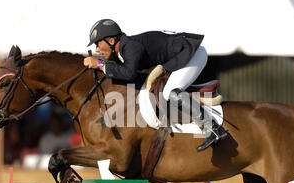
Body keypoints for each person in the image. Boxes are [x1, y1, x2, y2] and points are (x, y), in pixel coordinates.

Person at [83, 19, 228, 152]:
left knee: (170, 92)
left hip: (193, 54)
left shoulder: (130, 46)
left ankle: (212, 128)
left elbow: (129, 74)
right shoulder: (125, 48)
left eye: (98, 44)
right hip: (181, 56)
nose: (96, 49)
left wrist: (100, 64)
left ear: (111, 40)